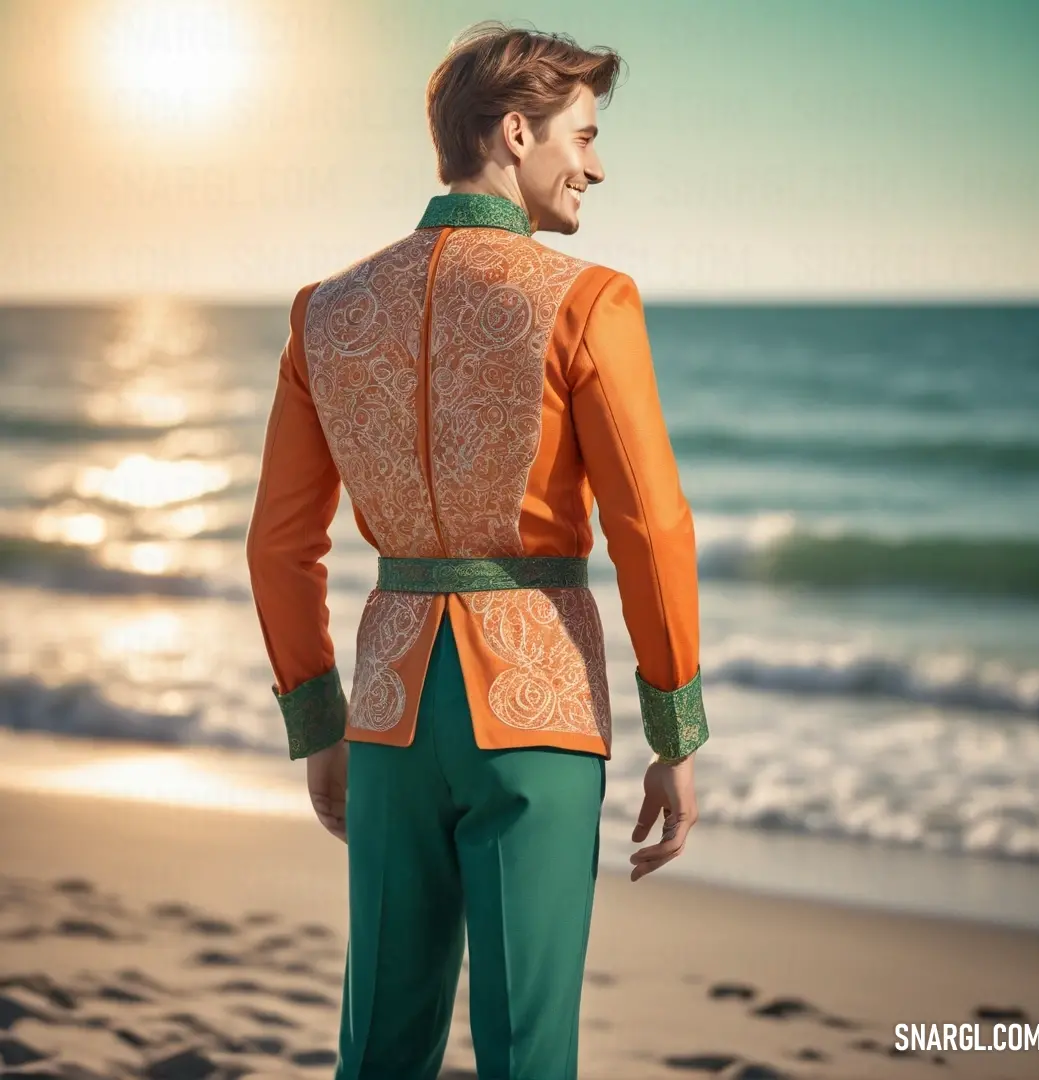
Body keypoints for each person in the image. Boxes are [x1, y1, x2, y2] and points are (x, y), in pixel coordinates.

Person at [245, 20, 708, 1080]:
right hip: (536, 710)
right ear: (515, 132)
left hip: (390, 713)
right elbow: (652, 526)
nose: (596, 163)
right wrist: (674, 724)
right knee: (526, 1049)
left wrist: (318, 721)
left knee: (380, 1046)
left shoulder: (327, 310)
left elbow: (280, 544)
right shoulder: (586, 301)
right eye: (581, 136)